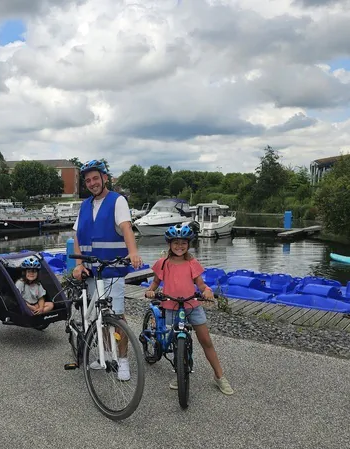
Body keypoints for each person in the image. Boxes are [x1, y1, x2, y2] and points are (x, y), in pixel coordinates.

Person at [71, 159, 143, 381]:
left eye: (95, 178)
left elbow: (126, 228)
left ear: (105, 178)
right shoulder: (84, 206)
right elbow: (76, 236)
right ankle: (106, 355)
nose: (92, 183)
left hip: (112, 271)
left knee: (117, 317)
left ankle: (122, 361)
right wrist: (78, 264)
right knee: (99, 317)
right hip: (92, 272)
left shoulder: (117, 201)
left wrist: (133, 252)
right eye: (88, 180)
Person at [143, 224, 234, 395]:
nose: (179, 246)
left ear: (189, 244)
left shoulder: (192, 263)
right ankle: (179, 372)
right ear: (169, 244)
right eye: (175, 243)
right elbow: (155, 283)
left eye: (183, 243)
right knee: (175, 340)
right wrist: (151, 290)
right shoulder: (162, 263)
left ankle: (219, 376)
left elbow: (200, 284)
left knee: (206, 341)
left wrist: (206, 291)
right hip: (171, 305)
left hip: (192, 305)